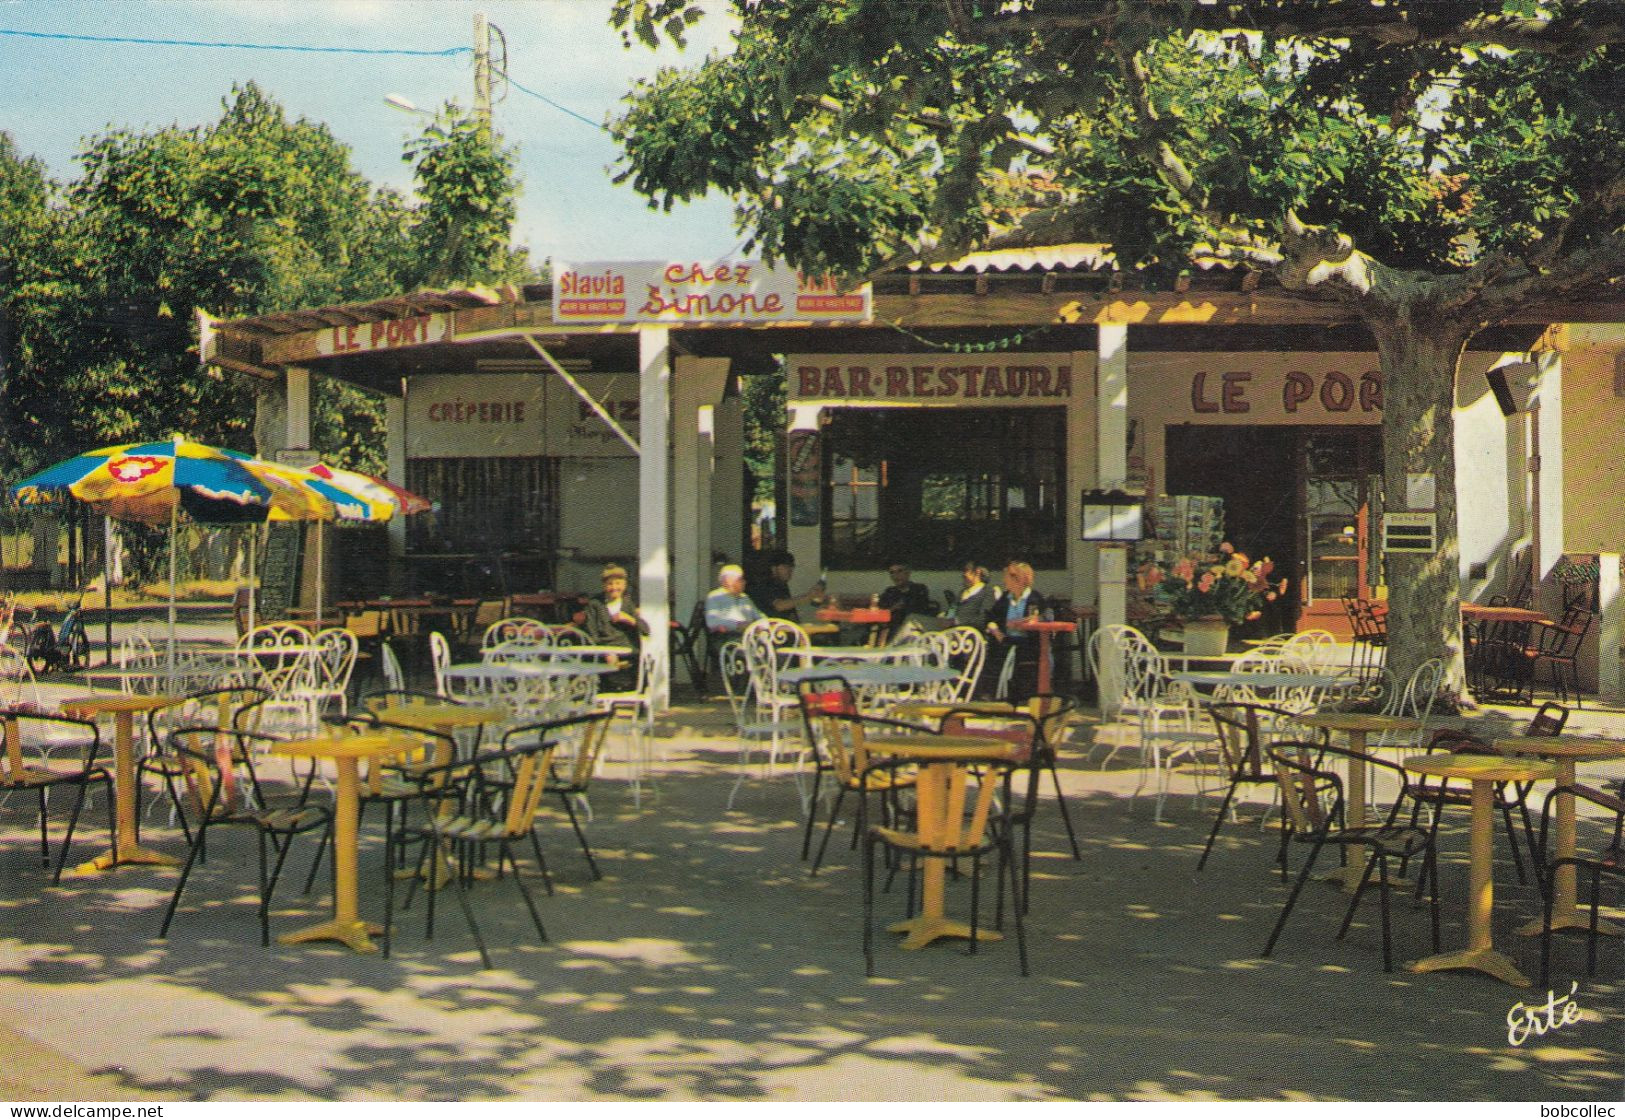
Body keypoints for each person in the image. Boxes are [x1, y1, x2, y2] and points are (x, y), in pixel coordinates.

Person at [985, 560, 1049, 702]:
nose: (1004, 581)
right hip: (1004, 641)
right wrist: (996, 630)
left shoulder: (1034, 598)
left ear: (1018, 579)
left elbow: (1034, 621)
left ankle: (1015, 696)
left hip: (1026, 643)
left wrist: (1014, 625)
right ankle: (997, 695)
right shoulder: (1005, 597)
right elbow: (991, 617)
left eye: (1007, 577)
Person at [580, 564, 649, 690]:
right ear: (604, 586)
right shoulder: (595, 604)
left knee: (636, 665)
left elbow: (646, 630)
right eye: (610, 584)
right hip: (603, 648)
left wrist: (629, 619)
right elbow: (591, 633)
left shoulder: (628, 603)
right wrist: (605, 652)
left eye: (618, 583)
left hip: (626, 648)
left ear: (624, 585)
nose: (614, 588)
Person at [750, 549, 825, 623]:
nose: (790, 570)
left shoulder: (782, 584)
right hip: (769, 630)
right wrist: (808, 597)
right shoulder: (763, 584)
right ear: (773, 568)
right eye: (786, 566)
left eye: (792, 566)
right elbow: (779, 606)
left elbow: (791, 613)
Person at [876, 563, 934, 638]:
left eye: (899, 571)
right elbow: (881, 613)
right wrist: (894, 608)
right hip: (893, 629)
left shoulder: (919, 589)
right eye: (892, 572)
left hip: (915, 629)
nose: (895, 575)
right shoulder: (889, 592)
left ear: (908, 573)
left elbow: (918, 610)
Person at [705, 564, 765, 636]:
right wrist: (737, 625)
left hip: (748, 637)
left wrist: (767, 624)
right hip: (727, 638)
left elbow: (759, 616)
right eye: (740, 579)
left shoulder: (745, 597)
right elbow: (712, 622)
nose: (744, 582)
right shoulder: (715, 596)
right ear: (729, 581)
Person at [953, 560, 997, 631]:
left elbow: (984, 619)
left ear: (977, 572)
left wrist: (958, 621)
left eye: (966, 571)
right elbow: (952, 609)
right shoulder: (962, 593)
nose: (964, 575)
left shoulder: (987, 592)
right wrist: (947, 617)